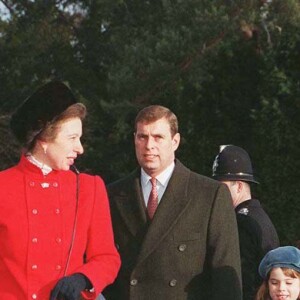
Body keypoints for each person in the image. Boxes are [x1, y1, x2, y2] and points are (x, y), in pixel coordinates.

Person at [103, 105, 242, 300]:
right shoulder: (113, 194)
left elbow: (225, 276)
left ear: (175, 141)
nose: (149, 145)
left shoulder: (209, 194)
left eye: (158, 137)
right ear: (134, 139)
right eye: (142, 137)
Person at [0, 81, 120, 299]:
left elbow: (107, 257)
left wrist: (83, 278)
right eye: (72, 138)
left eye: (80, 138)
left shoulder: (89, 187)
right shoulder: (3, 187)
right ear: (44, 140)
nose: (80, 148)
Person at [212, 144, 280, 300]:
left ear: (239, 186)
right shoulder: (257, 216)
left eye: (222, 188)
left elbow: (242, 277)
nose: (217, 193)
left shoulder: (242, 222)